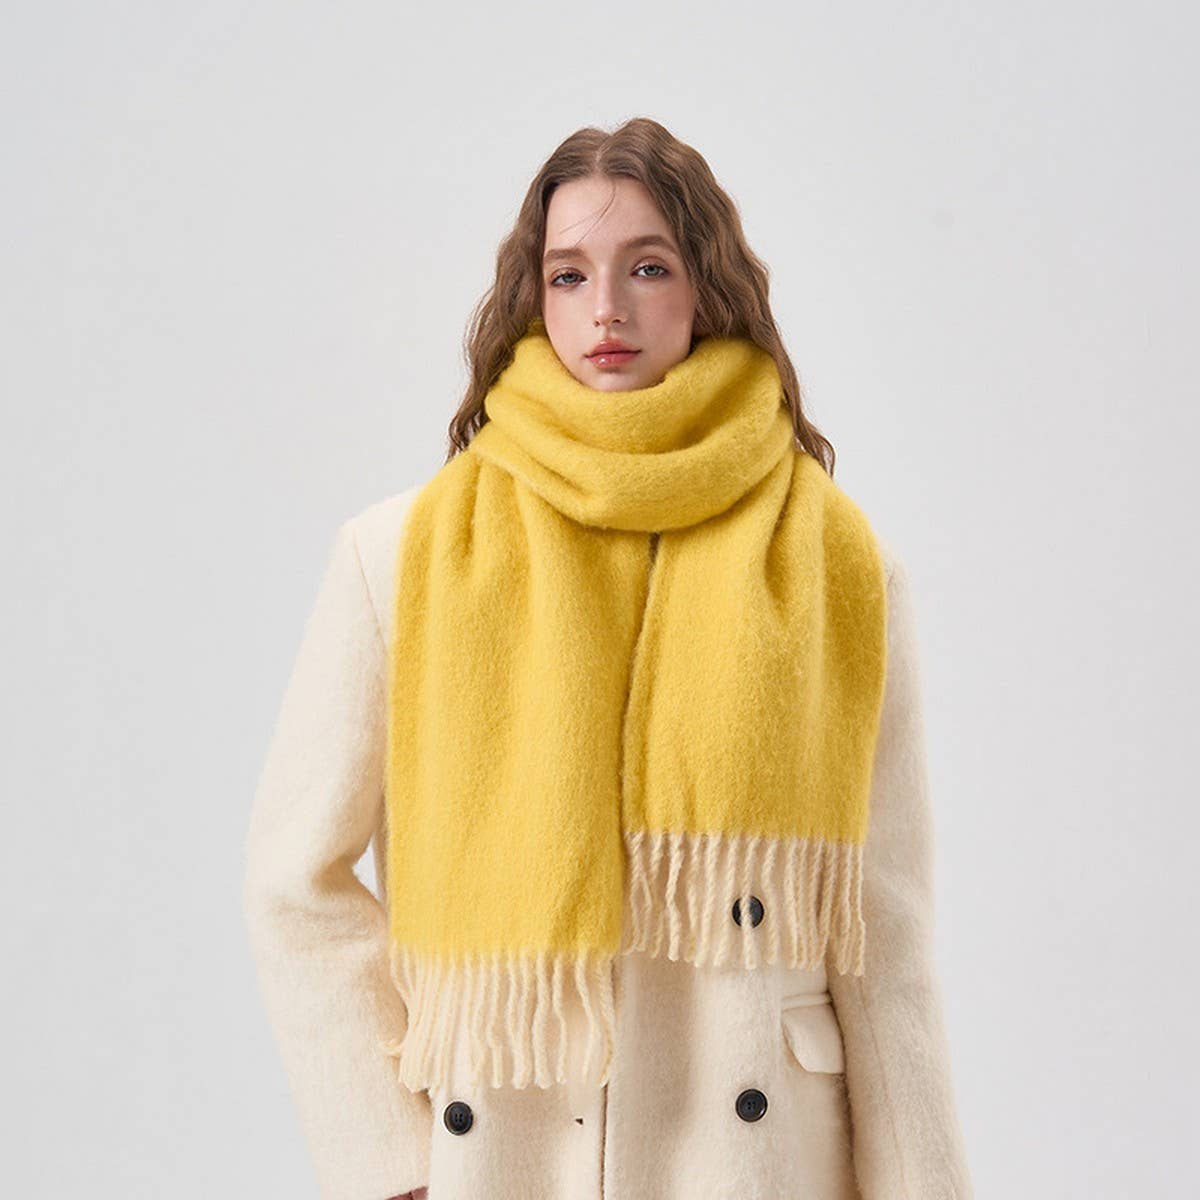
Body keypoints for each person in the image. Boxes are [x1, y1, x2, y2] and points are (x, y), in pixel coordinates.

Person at [242, 116, 973, 1200]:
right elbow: (293, 881)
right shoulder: (399, 558)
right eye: (569, 274)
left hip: (763, 1159)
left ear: (707, 287)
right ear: (533, 297)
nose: (607, 311)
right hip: (511, 1142)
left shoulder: (840, 568)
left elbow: (884, 926)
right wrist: (387, 1159)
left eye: (649, 267)